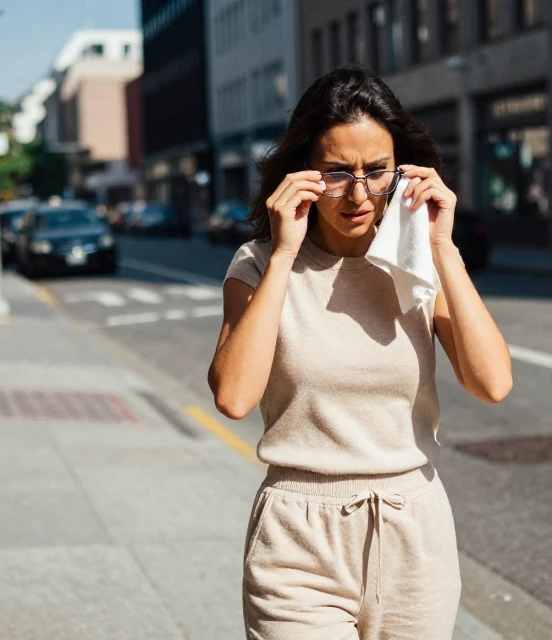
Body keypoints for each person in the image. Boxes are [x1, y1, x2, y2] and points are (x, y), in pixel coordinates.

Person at [208, 67, 513, 640]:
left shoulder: (421, 258)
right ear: (303, 171)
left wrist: (442, 248)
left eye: (376, 171)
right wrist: (283, 257)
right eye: (335, 173)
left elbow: (492, 382)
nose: (357, 193)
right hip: (299, 539)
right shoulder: (257, 264)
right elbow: (233, 396)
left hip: (414, 534)